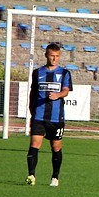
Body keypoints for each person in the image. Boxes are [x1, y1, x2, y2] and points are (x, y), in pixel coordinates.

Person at [26, 43, 73, 187]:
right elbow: (33, 92)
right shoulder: (37, 73)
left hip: (56, 117)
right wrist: (31, 108)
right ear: (46, 55)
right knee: (34, 144)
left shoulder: (64, 73)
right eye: (52, 56)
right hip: (39, 116)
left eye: (57, 56)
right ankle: (31, 175)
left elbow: (66, 90)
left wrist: (58, 95)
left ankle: (55, 177)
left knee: (56, 147)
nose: (54, 59)